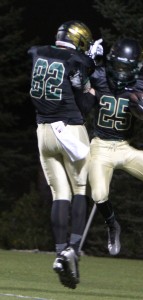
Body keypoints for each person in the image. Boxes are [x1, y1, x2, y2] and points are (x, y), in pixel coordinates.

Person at [28, 20, 102, 289]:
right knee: (80, 189)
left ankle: (59, 253)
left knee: (60, 194)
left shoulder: (37, 53)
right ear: (80, 40)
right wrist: (91, 85)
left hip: (43, 133)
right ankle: (72, 249)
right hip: (70, 130)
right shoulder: (77, 59)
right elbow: (84, 103)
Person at [86, 37, 143, 256]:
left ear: (136, 68)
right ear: (111, 62)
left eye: (127, 67)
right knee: (99, 194)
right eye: (118, 66)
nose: (122, 72)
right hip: (101, 147)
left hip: (125, 147)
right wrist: (87, 60)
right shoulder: (98, 76)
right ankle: (113, 226)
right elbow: (76, 75)